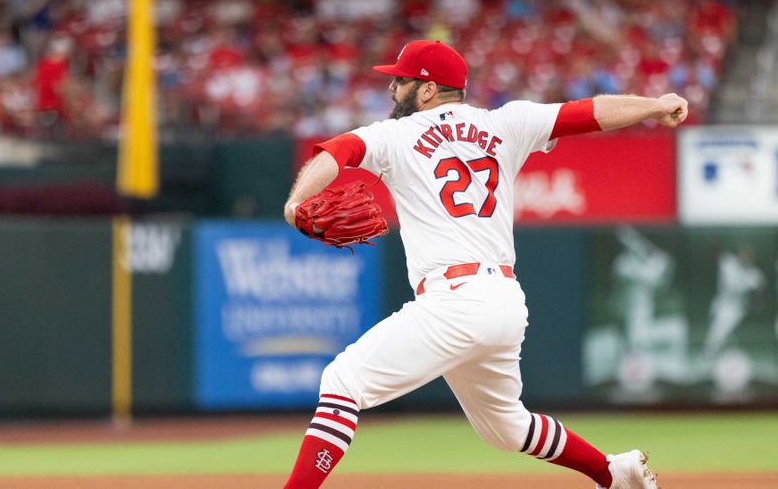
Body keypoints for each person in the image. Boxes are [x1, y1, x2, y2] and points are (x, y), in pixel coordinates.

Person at [282, 40, 687, 489]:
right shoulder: (506, 122)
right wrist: (655, 104)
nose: (393, 87)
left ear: (427, 89)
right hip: (504, 301)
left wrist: (296, 202)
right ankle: (614, 472)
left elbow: (333, 154)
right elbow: (590, 111)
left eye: (400, 80)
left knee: (341, 382)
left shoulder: (393, 136)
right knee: (507, 428)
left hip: (454, 301)